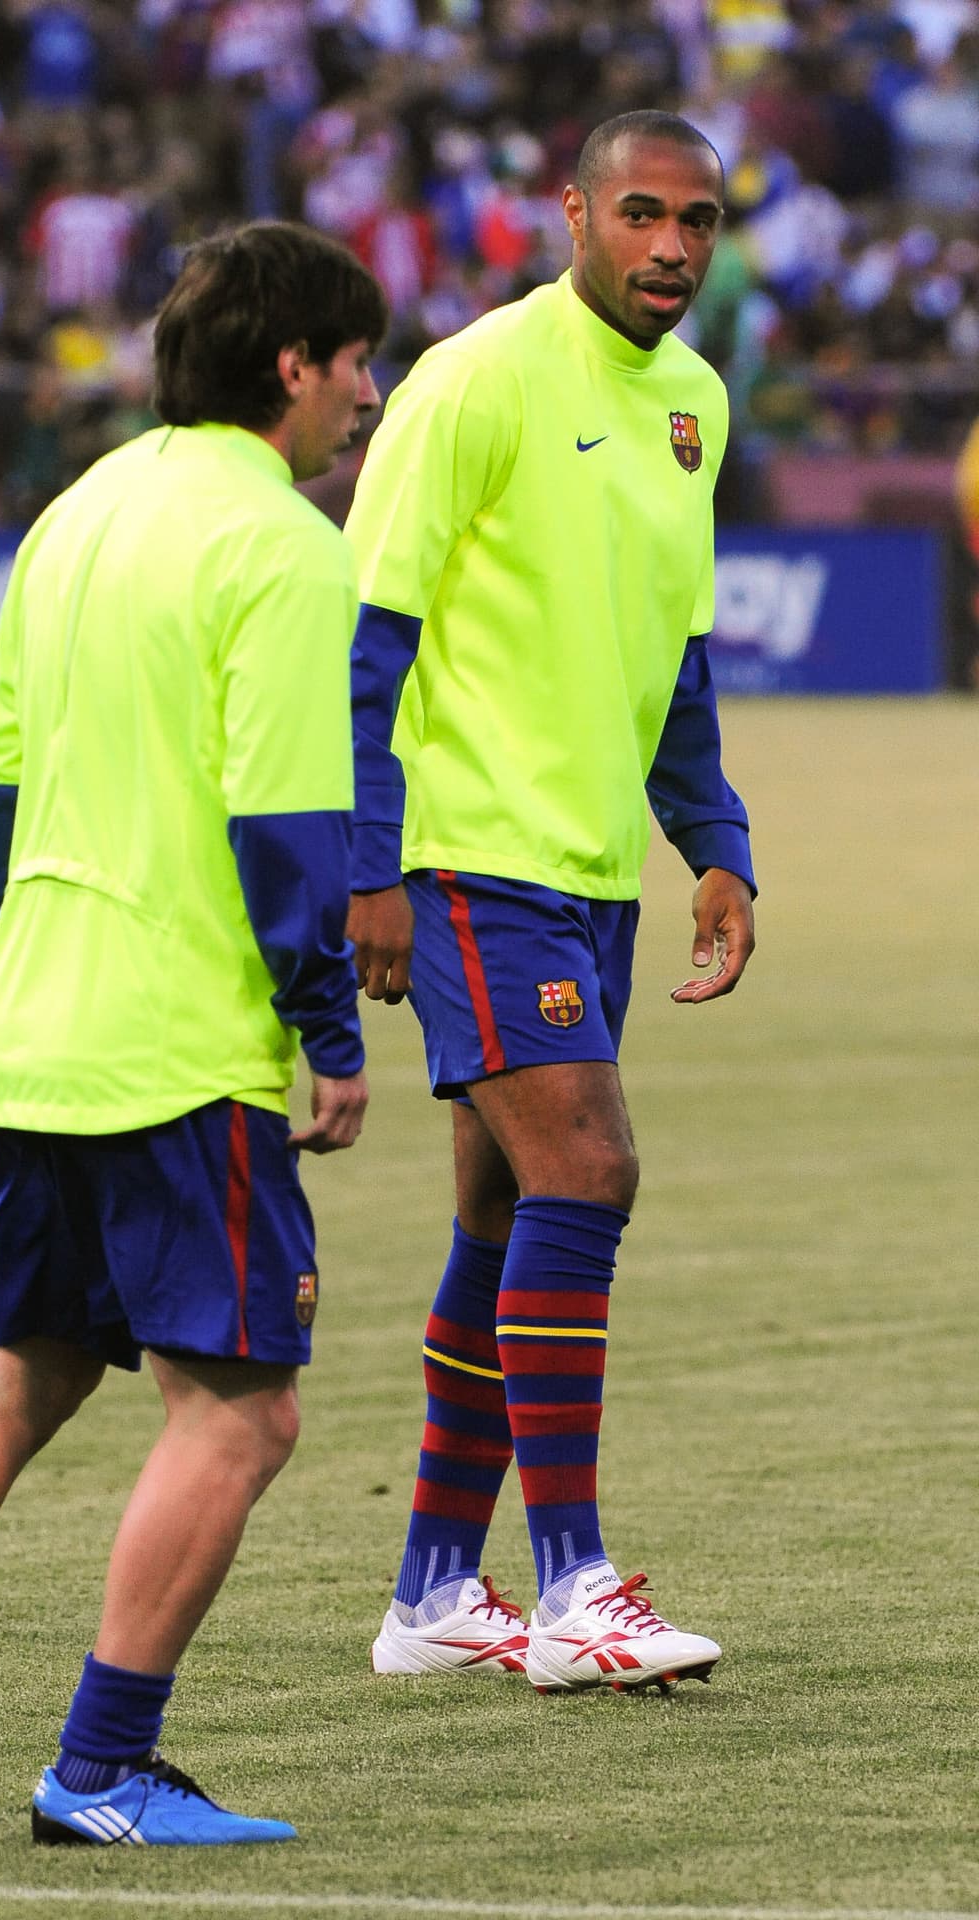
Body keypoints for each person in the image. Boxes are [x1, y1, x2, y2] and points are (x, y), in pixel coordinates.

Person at [0, 220, 387, 1846]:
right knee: (241, 1410)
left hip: (33, 1020)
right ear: (291, 366)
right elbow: (284, 820)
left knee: (20, 1370)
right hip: (181, 1041)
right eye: (355, 362)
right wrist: (326, 1027)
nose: (368, 397)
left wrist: (6, 947)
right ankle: (99, 1769)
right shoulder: (288, 546)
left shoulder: (72, 514)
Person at [344, 110, 757, 1695]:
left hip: (590, 870)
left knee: (505, 1211)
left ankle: (437, 1593)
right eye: (641, 213)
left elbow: (679, 650)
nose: (671, 247)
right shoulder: (474, 382)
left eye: (699, 221)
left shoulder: (697, 403)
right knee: (591, 1164)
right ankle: (575, 1583)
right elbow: (368, 639)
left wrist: (710, 837)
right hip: (472, 852)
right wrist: (371, 865)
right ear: (571, 211)